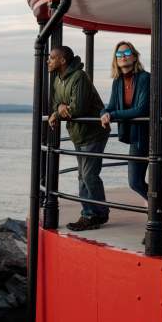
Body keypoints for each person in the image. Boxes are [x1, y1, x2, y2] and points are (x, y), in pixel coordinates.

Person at [99, 40, 162, 239]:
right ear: (115, 60)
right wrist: (104, 113)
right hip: (137, 138)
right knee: (135, 182)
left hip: (156, 137)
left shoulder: (145, 78)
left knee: (158, 184)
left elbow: (142, 109)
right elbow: (110, 106)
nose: (123, 57)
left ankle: (155, 224)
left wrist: (114, 115)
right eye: (119, 55)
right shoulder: (117, 82)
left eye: (127, 53)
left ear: (135, 56)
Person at [48, 45, 110, 231]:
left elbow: (79, 107)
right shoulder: (58, 79)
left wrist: (58, 114)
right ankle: (92, 213)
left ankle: (95, 214)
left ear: (62, 60)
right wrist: (59, 108)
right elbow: (55, 102)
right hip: (78, 134)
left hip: (93, 133)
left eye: (52, 58)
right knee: (82, 176)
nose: (48, 61)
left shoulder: (79, 77)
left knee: (89, 175)